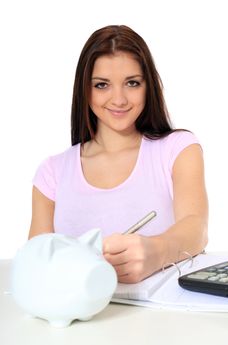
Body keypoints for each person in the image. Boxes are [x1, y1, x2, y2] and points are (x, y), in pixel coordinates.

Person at [29, 25, 208, 283]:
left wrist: (156, 252)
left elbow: (197, 229)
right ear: (84, 90)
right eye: (102, 85)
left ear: (148, 86)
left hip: (162, 319)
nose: (119, 99)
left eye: (132, 83)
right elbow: (36, 264)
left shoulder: (178, 148)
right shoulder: (52, 172)